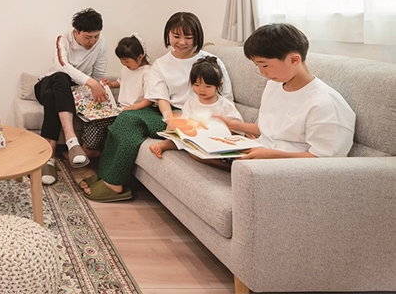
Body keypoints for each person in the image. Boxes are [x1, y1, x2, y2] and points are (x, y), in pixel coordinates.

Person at [80, 11, 232, 202]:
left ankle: (114, 183)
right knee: (125, 118)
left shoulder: (211, 61)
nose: (182, 42)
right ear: (168, 35)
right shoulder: (161, 64)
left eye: (188, 37)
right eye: (176, 36)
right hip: (166, 113)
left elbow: (225, 97)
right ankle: (106, 174)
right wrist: (169, 118)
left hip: (196, 118)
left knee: (129, 121)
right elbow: (161, 98)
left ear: (197, 36)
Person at [217, 23, 355, 159]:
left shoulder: (324, 103)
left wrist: (270, 155)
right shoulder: (273, 86)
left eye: (264, 65)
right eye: (257, 66)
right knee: (206, 152)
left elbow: (325, 160)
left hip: (285, 167)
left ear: (294, 60)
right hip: (258, 154)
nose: (262, 72)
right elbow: (269, 130)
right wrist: (233, 125)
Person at [35, 8, 107, 186]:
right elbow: (63, 66)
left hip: (69, 93)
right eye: (88, 37)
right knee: (61, 78)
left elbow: (98, 74)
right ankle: (72, 141)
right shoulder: (63, 39)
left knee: (53, 97)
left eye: (96, 36)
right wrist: (91, 83)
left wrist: (95, 85)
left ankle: (49, 159)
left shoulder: (101, 44)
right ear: (76, 31)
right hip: (48, 83)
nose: (93, 41)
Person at [149, 55, 242, 158]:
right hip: (195, 137)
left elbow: (237, 125)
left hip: (216, 139)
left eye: (208, 86)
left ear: (219, 85)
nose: (202, 90)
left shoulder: (224, 105)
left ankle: (224, 163)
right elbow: (185, 120)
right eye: (197, 85)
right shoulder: (191, 102)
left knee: (199, 153)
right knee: (179, 139)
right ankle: (162, 145)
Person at [80, 35, 153, 159]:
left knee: (98, 122)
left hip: (133, 111)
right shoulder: (126, 69)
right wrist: (110, 84)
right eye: (121, 61)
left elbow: (150, 99)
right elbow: (121, 82)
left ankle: (87, 150)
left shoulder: (147, 73)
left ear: (140, 57)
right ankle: (87, 149)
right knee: (90, 116)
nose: (124, 64)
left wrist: (133, 108)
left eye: (127, 61)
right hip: (119, 108)